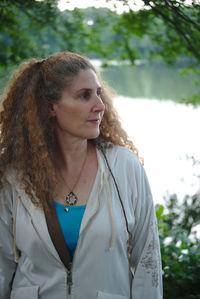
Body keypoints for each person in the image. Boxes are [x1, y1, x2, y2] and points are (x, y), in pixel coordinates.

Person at [0, 51, 162, 299]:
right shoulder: (15, 176)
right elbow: (2, 265)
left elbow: (147, 262)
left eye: (98, 93)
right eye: (85, 95)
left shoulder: (124, 167)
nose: (100, 105)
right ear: (49, 106)